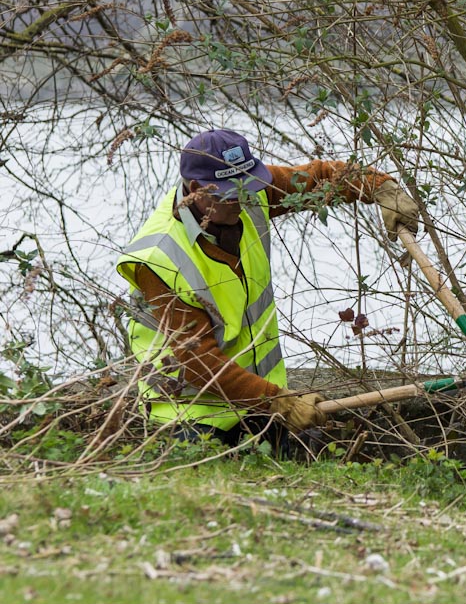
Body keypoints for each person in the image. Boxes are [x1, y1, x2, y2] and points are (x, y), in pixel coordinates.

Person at [116, 129, 420, 447]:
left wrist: (380, 186)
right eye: (230, 193)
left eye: (247, 186)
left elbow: (318, 178)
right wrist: (279, 401)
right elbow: (198, 361)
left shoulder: (246, 192)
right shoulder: (159, 258)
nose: (242, 199)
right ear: (196, 190)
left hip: (256, 400)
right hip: (191, 413)